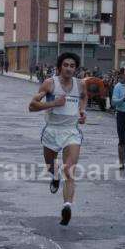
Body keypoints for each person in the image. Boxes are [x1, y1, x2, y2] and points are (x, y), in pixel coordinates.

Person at [28, 52, 87, 226]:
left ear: (76, 68)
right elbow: (32, 106)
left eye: (72, 66)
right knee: (51, 165)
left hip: (71, 131)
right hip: (52, 130)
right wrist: (53, 103)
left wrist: (82, 112)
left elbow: (83, 98)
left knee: (69, 171)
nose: (69, 68)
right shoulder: (50, 83)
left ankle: (67, 206)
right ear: (60, 66)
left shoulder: (80, 84)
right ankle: (54, 176)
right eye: (66, 65)